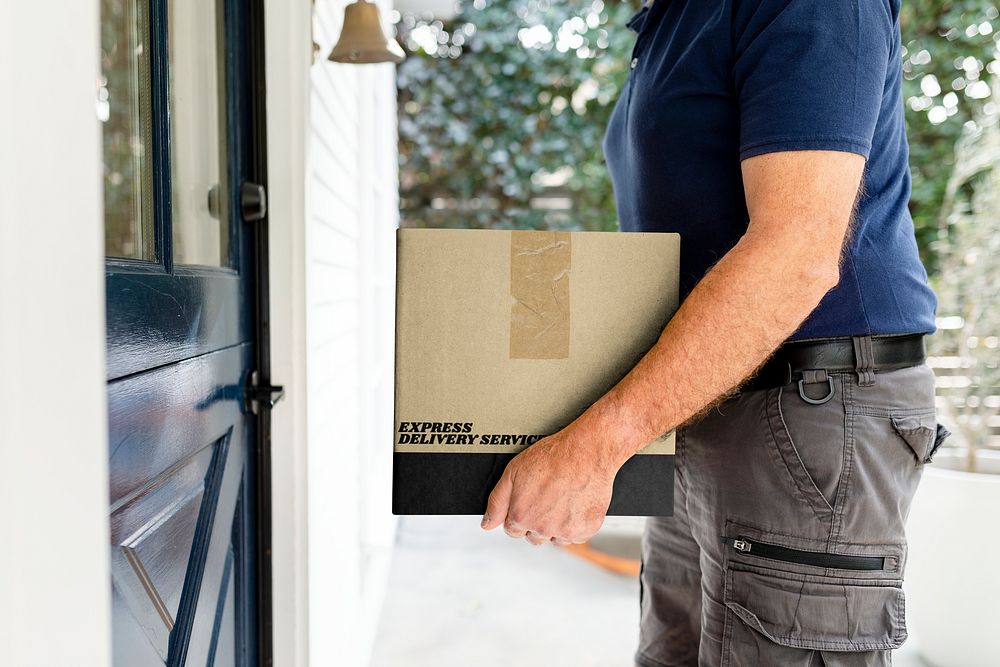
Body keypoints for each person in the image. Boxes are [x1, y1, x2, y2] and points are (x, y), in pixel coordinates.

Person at [479, 0, 952, 664]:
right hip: (703, 402)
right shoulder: (672, 18)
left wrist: (593, 447)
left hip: (807, 407)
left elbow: (796, 256)